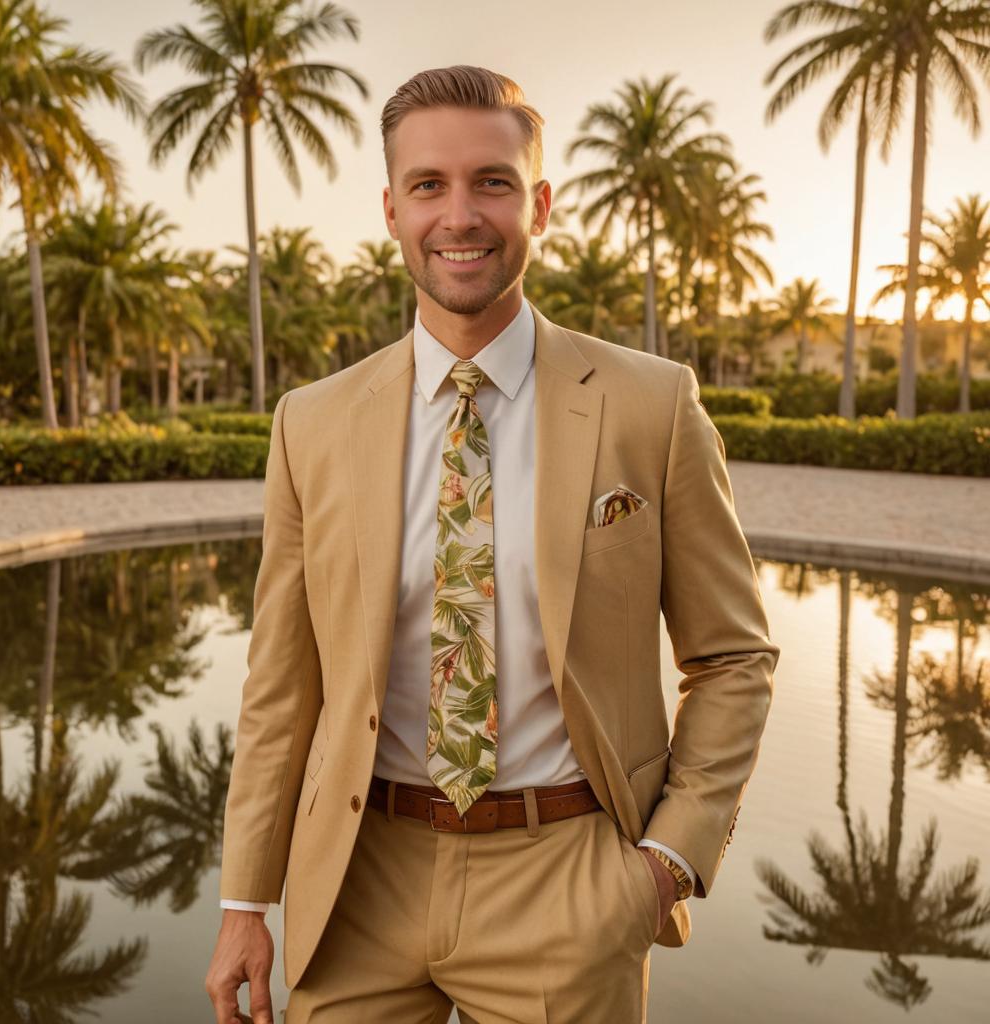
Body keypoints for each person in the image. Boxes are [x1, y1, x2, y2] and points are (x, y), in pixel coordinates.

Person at [205, 65, 780, 1024]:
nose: (459, 215)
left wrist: (664, 863)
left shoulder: (652, 404)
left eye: (493, 183)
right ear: (392, 209)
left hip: (566, 880)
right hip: (357, 882)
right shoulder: (311, 421)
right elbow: (280, 681)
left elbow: (733, 656)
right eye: (429, 185)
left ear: (540, 203)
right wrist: (242, 902)